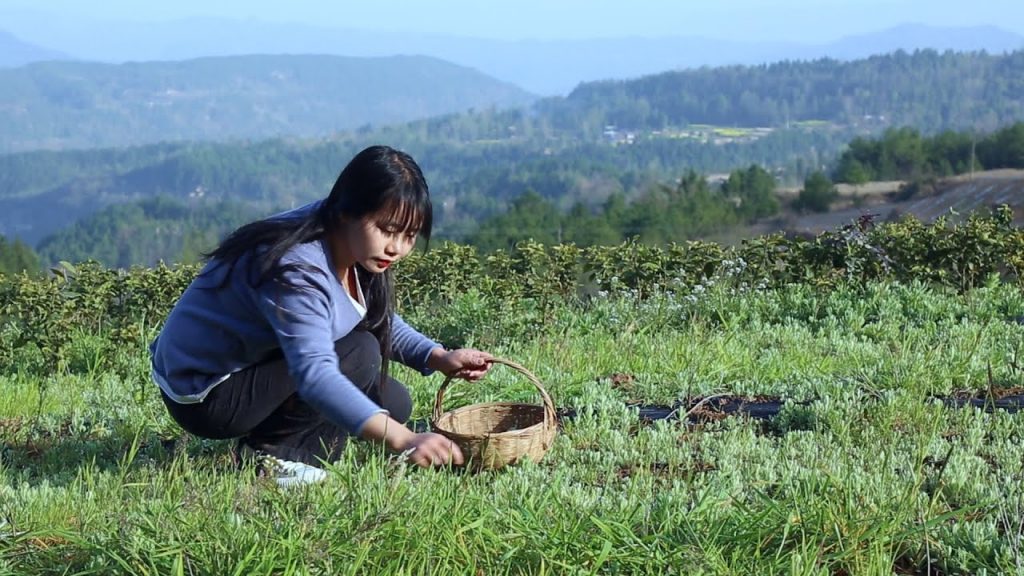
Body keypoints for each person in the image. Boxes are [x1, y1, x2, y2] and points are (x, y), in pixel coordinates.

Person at [149, 145, 493, 486]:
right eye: (388, 231)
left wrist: (437, 356)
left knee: (394, 403)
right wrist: (403, 440)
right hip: (208, 393)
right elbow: (314, 374)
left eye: (409, 236)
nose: (397, 248)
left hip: (257, 367)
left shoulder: (351, 241)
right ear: (348, 212)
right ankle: (276, 455)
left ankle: (284, 436)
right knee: (360, 354)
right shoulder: (297, 265)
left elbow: (375, 318)